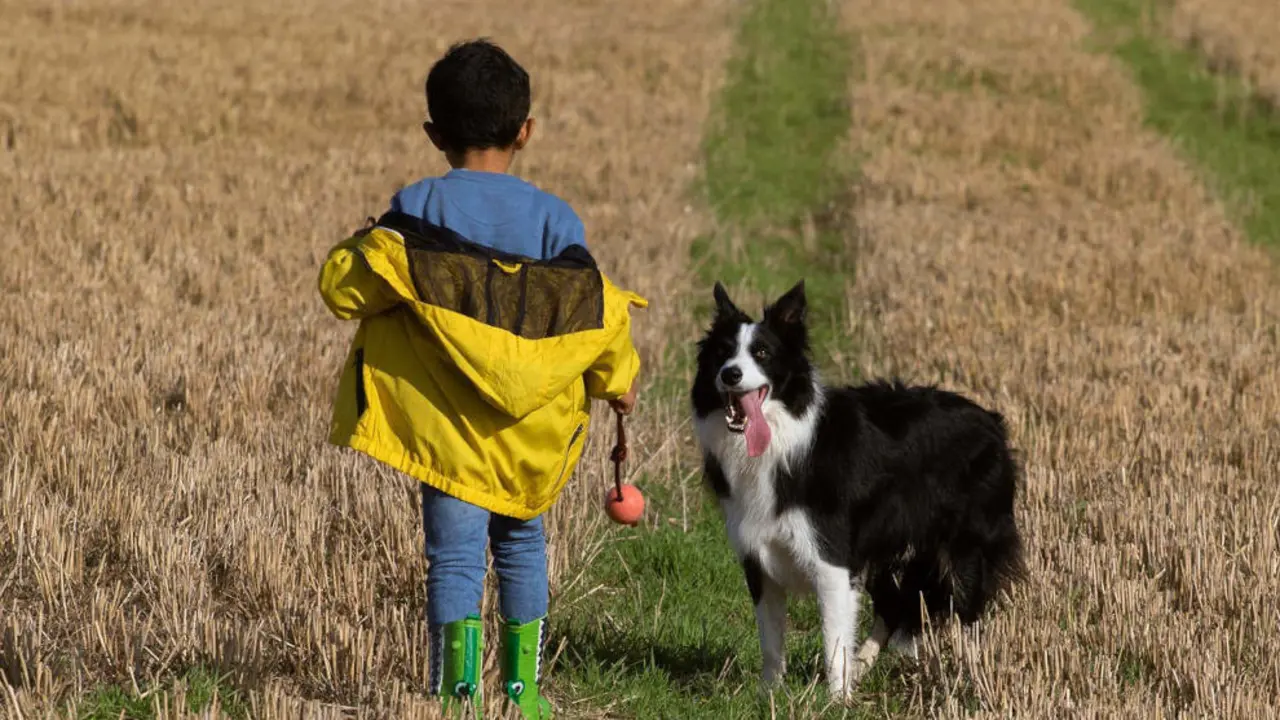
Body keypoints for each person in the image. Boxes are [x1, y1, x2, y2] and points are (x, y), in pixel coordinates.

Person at [317, 38, 643, 719]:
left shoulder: (418, 205)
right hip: (530, 442)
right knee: (523, 548)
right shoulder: (557, 221)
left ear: (434, 134)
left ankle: (455, 697)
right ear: (525, 131)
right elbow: (593, 311)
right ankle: (524, 695)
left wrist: (362, 245)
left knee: (455, 562)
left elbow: (348, 291)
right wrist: (619, 378)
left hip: (449, 440)